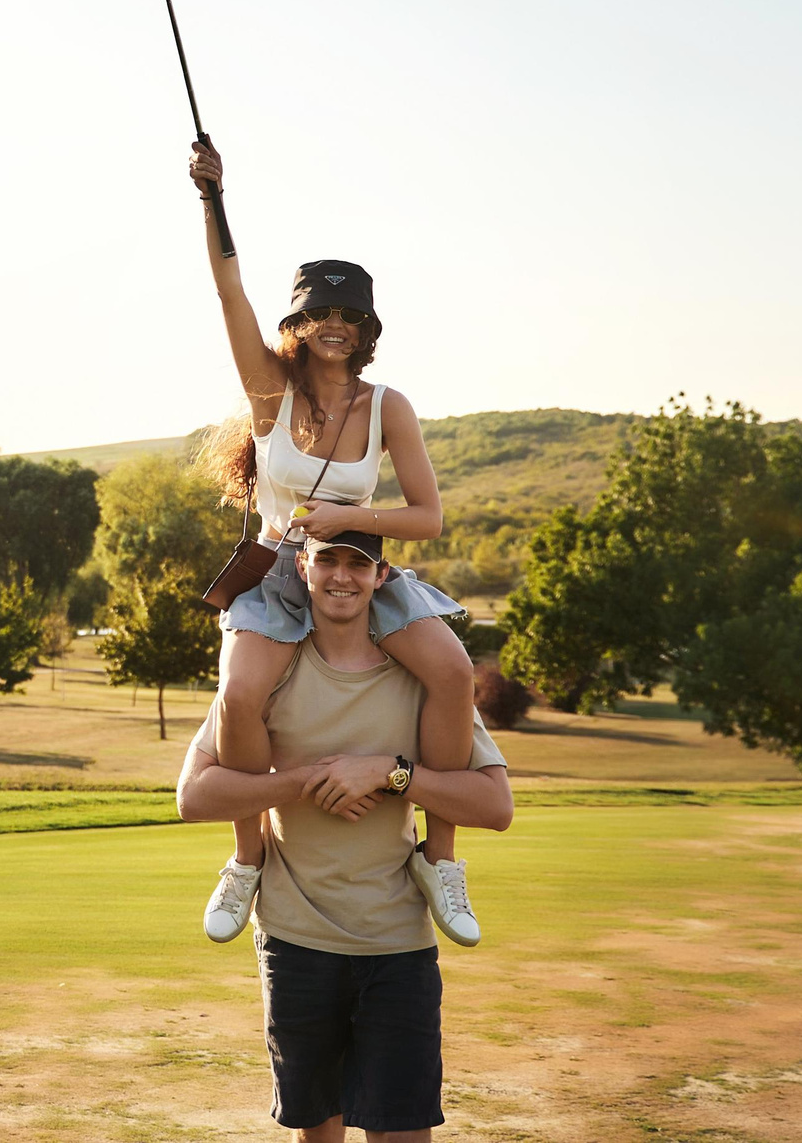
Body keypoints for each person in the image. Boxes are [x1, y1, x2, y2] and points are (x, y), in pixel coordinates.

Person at [187, 141, 484, 950]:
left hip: (361, 564)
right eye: (320, 312)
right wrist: (213, 196)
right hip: (284, 573)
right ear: (298, 321)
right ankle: (248, 857)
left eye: (350, 316)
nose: (335, 327)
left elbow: (428, 515)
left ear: (366, 330)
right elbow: (227, 289)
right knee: (241, 696)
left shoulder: (390, 404)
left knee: (454, 671)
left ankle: (440, 857)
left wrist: (348, 520)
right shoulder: (268, 390)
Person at [177, 531, 515, 1142]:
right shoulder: (267, 671)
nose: (341, 576)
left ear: (383, 577)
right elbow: (195, 796)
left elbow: (495, 806)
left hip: (398, 949)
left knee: (404, 1136)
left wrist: (393, 772)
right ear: (300, 566)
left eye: (358, 565)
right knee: (318, 1136)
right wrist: (307, 779)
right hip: (295, 944)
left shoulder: (426, 680)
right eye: (326, 559)